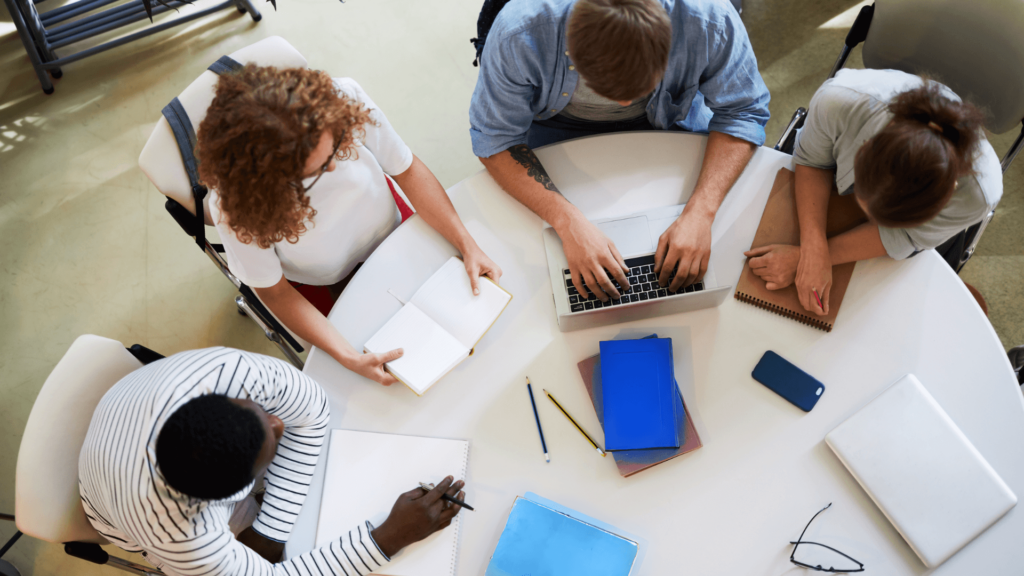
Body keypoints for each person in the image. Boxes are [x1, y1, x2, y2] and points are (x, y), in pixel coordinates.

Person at [196, 65, 502, 386]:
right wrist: (348, 357)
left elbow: (406, 169)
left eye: (334, 146)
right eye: (311, 173)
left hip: (391, 227)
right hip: (323, 282)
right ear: (269, 179)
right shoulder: (235, 206)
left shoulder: (342, 97)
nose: (332, 166)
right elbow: (275, 292)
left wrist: (467, 244)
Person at [469, 0, 770, 301]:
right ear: (570, 47)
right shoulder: (519, 32)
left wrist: (701, 213)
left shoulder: (708, 17)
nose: (624, 104)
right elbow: (496, 140)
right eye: (602, 87)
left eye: (639, 88)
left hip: (668, 119)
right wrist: (567, 222)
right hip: (554, 124)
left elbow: (742, 111)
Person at [79, 347, 466, 575]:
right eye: (271, 445)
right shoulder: (181, 535)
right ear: (231, 496)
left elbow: (312, 412)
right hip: (119, 512)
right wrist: (388, 537)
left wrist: (269, 534)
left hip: (123, 428)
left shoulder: (226, 373)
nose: (278, 422)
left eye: (258, 412)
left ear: (219, 399)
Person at [744, 69, 1002, 315]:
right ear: (863, 148)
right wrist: (812, 251)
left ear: (947, 196)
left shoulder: (978, 195)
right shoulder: (838, 101)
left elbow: (905, 236)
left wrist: (811, 258)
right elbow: (812, 161)